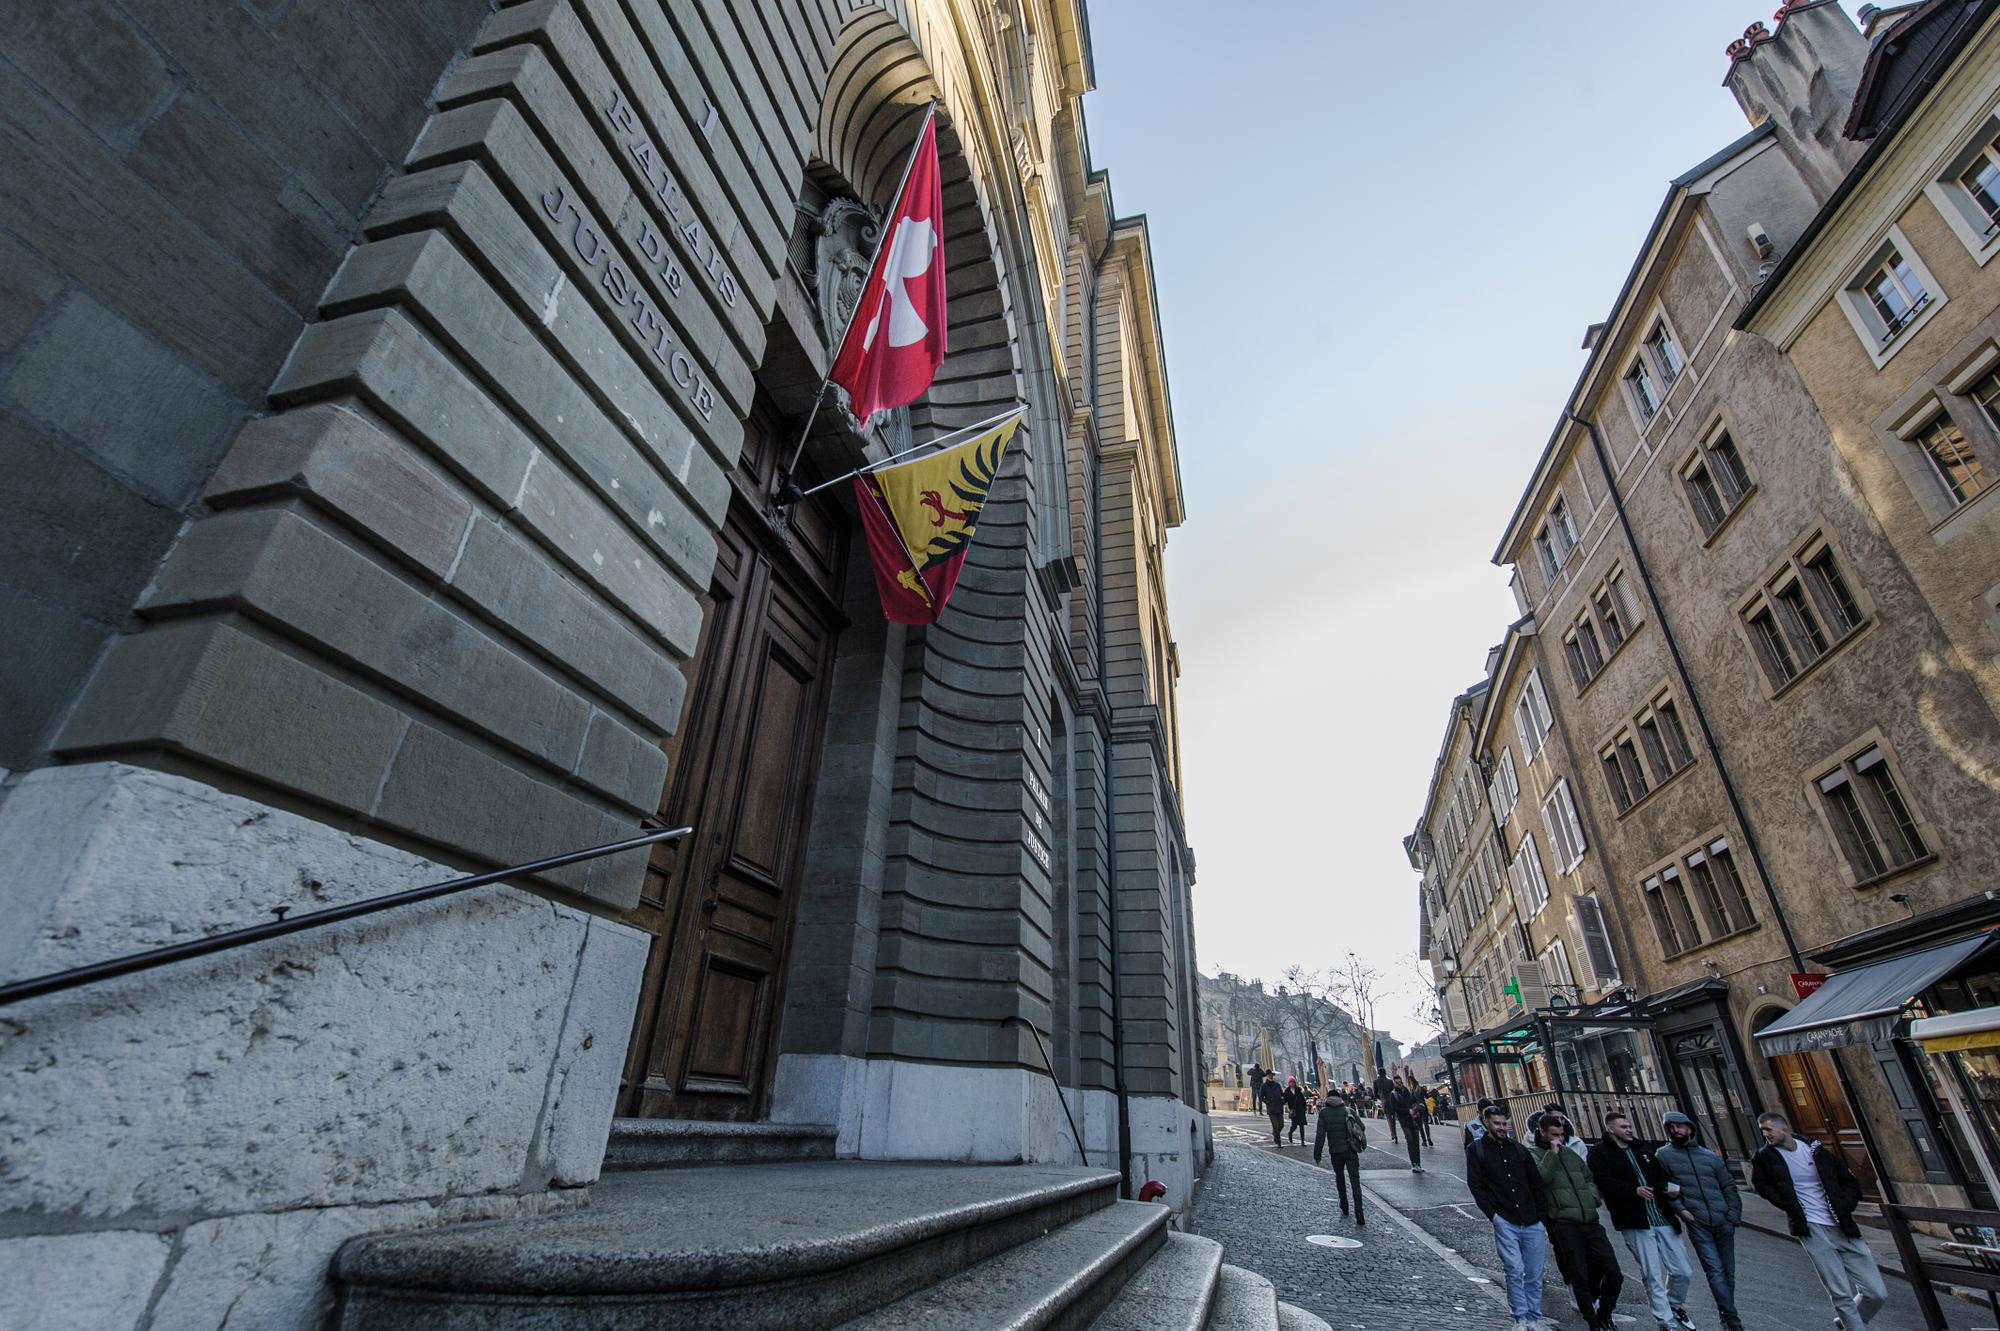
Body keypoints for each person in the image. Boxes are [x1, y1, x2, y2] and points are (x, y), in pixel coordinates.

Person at [1751, 1109, 1885, 1330]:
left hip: (1841, 1224)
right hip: (1812, 1229)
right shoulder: (1765, 1157)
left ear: (1784, 1129)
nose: (1765, 1134)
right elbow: (1762, 1186)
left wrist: (1845, 1205)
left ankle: (1848, 1322)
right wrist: (1789, 1205)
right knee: (1840, 1291)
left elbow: (1849, 1182)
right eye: (1762, 1130)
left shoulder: (1816, 1151)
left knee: (1876, 1292)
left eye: (1768, 1129)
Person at [1589, 1111, 1697, 1331]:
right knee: (1652, 1273)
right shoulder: (1600, 1153)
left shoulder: (1643, 1149)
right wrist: (1633, 1191)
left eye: (1629, 1126)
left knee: (1682, 1270)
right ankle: (1665, 1322)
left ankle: (1674, 1305)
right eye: (1623, 1127)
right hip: (1635, 1220)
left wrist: (1669, 1189)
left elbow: (1659, 1177)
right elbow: (1604, 1183)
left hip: (1661, 1216)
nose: (1629, 1130)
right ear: (1610, 1129)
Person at [1531, 1109, 1622, 1331]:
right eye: (1553, 1135)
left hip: (1589, 1220)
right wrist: (1552, 1154)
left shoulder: (1571, 1153)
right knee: (1578, 1275)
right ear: (1542, 1133)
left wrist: (1592, 1198)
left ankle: (1603, 1314)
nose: (1558, 1139)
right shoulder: (1533, 1154)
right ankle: (1593, 1323)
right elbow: (1540, 1179)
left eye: (1560, 1135)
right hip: (1564, 1223)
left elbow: (1588, 1177)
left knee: (1613, 1272)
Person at [1656, 1111, 1743, 1331]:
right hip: (1697, 1221)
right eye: (1671, 1128)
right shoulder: (1664, 1156)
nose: (1676, 1131)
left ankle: (1726, 1313)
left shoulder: (1709, 1156)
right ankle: (1732, 1319)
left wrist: (1732, 1216)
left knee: (1728, 1273)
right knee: (1714, 1270)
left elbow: (1728, 1186)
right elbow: (1664, 1189)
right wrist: (1682, 1211)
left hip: (1722, 1219)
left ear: (1690, 1127)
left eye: (1679, 1126)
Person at [1466, 1103, 1549, 1331]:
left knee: (1534, 1272)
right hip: (1505, 1217)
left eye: (1504, 1124)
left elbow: (1536, 1183)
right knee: (1513, 1269)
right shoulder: (1477, 1150)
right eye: (1497, 1124)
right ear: (1486, 1123)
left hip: (1531, 1217)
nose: (1502, 1128)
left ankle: (1534, 1316)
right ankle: (1520, 1317)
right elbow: (1476, 1185)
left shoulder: (1519, 1150)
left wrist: (1541, 1215)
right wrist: (1493, 1215)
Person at [1313, 1090, 1367, 1226]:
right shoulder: (1348, 1110)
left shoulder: (1324, 1113)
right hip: (1351, 1150)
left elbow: (1320, 1135)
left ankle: (1344, 1205)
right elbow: (1362, 1127)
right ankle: (1359, 1212)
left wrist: (1317, 1154)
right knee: (1355, 1182)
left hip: (1336, 1152)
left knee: (1340, 1177)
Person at [1391, 1080, 1424, 1172]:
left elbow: (1414, 1101)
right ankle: (1413, 1163)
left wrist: (1418, 1105)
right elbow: (1395, 1108)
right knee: (1410, 1140)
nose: (1399, 1084)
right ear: (1394, 1084)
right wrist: (1407, 1111)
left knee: (1416, 1141)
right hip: (1404, 1120)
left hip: (1413, 1119)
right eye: (1397, 1082)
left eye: (1400, 1082)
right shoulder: (1393, 1094)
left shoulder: (1407, 1092)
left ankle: (1418, 1163)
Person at [1258, 1071, 1285, 1145]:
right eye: (1269, 1075)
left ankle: (1275, 1134)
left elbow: (1282, 1094)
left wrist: (1282, 1100)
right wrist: (1267, 1101)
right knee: (1275, 1125)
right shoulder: (1264, 1085)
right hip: (1271, 1107)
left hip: (1279, 1106)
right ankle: (1278, 1141)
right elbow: (1261, 1096)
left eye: (1271, 1075)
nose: (1271, 1076)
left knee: (1281, 1124)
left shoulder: (1277, 1085)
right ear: (1267, 1076)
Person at [1373, 1070, 1400, 1142]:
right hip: (1391, 1100)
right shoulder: (1390, 1081)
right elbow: (1393, 1091)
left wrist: (1381, 1098)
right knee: (1393, 1118)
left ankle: (1393, 1135)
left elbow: (1375, 1094)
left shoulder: (1376, 1082)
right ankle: (1394, 1134)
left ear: (1378, 1073)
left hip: (1384, 1101)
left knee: (1389, 1118)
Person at [1283, 1076, 1309, 1145]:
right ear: (1289, 1083)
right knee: (1294, 1126)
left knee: (1301, 1126)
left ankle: (1302, 1141)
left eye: (1293, 1082)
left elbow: (1302, 1100)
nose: (1293, 1083)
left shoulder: (1298, 1090)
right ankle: (1290, 1133)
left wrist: (1304, 1108)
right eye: (1291, 1082)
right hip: (1293, 1111)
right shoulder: (1287, 1091)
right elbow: (1284, 1100)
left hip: (1300, 1110)